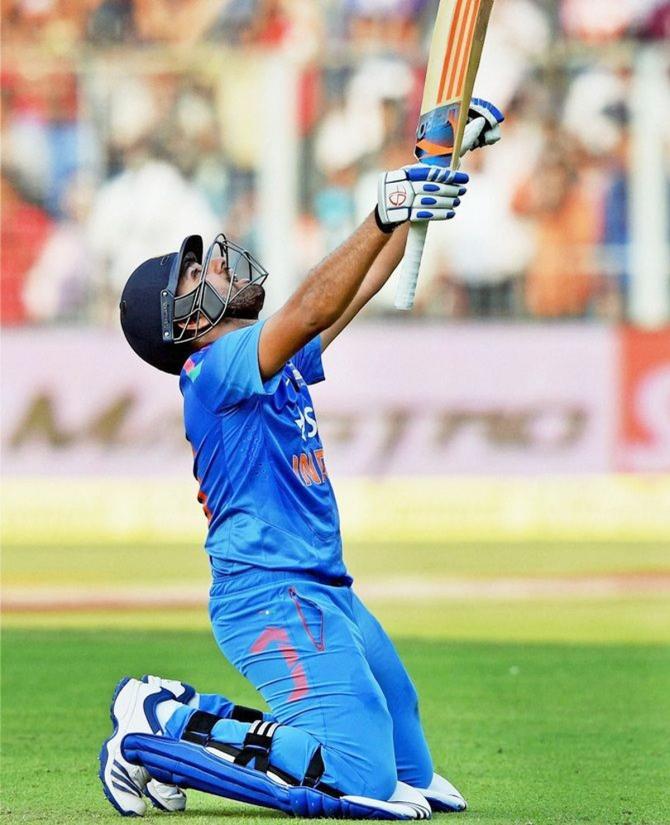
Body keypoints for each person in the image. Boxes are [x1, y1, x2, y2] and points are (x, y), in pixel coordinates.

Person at [102, 101, 503, 819]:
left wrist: (432, 168)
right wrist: (387, 211)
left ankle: (183, 717)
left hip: (322, 586)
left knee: (410, 754)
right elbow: (315, 307)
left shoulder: (259, 359)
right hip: (269, 592)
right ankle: (161, 721)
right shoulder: (215, 369)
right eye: (199, 278)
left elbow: (355, 288)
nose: (219, 268)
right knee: (360, 778)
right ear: (183, 327)